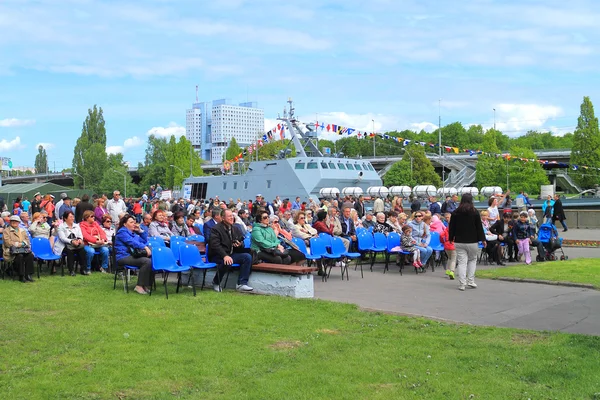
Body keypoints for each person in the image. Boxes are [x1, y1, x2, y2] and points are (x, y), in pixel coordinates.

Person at [208, 209, 253, 293]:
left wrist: (239, 244)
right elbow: (215, 245)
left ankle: (241, 284)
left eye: (232, 215)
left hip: (231, 254)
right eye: (229, 216)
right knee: (227, 261)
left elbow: (241, 242)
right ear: (223, 218)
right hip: (217, 255)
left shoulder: (235, 228)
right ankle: (216, 282)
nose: (232, 217)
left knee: (247, 257)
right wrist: (224, 255)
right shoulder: (216, 229)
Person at [448, 193, 485, 291]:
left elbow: (451, 227)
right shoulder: (475, 212)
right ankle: (471, 280)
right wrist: (483, 239)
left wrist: (451, 238)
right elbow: (479, 227)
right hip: (472, 240)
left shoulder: (455, 212)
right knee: (472, 260)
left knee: (461, 262)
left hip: (459, 240)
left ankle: (462, 283)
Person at [114, 214, 153, 295]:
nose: (134, 224)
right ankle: (139, 286)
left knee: (152, 260)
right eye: (131, 222)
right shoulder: (122, 232)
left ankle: (145, 285)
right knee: (146, 261)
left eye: (134, 222)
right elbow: (131, 242)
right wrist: (145, 247)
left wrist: (140, 231)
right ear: (125, 224)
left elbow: (143, 240)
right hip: (123, 257)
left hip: (132, 256)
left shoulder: (133, 233)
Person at [54, 210, 89, 276]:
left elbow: (80, 234)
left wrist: (80, 239)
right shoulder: (61, 227)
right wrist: (71, 241)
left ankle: (83, 269)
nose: (72, 218)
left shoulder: (76, 225)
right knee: (70, 251)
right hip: (64, 245)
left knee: (82, 251)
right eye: (70, 217)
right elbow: (62, 238)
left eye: (73, 217)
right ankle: (71, 270)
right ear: (65, 218)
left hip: (76, 244)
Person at [3, 215, 35, 282]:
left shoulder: (22, 230)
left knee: (30, 255)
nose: (14, 222)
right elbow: (7, 243)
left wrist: (23, 243)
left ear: (19, 222)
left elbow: (27, 240)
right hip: (11, 251)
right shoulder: (6, 231)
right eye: (12, 221)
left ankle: (28, 274)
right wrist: (19, 244)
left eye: (16, 221)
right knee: (20, 256)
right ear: (10, 222)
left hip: (23, 250)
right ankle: (21, 275)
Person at [440, 213, 456, 279]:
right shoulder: (455, 230)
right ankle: (452, 271)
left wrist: (442, 241)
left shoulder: (446, 229)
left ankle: (447, 270)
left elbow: (441, 235)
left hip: (446, 245)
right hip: (453, 245)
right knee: (453, 259)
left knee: (449, 258)